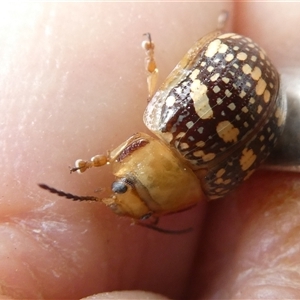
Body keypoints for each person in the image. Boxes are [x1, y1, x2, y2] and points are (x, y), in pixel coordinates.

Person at [1, 2, 300, 299]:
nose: (117, 197)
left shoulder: (218, 182)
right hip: (241, 64)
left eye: (121, 186)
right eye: (146, 214)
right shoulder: (172, 124)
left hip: (251, 74)